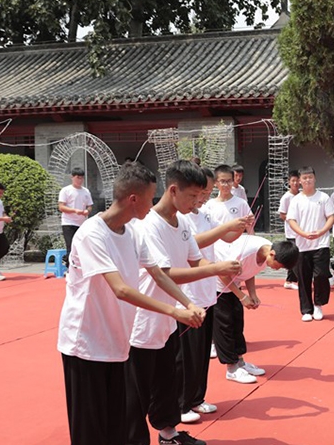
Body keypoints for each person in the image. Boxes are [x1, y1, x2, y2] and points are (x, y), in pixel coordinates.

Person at [57, 161, 205, 445]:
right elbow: (121, 289)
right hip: (85, 344)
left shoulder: (134, 233)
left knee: (116, 427)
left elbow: (158, 273)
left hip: (116, 342)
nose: (152, 206)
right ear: (133, 199)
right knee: (90, 431)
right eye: (150, 199)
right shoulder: (92, 233)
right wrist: (175, 311)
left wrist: (187, 303)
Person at [126, 160, 241, 445]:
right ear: (173, 189)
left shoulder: (184, 221)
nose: (197, 201)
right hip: (146, 317)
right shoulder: (149, 225)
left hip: (171, 315)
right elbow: (167, 274)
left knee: (169, 380)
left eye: (201, 195)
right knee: (137, 389)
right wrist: (214, 269)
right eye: (193, 196)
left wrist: (217, 266)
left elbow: (195, 258)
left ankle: (168, 434)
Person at [178, 167, 251, 424]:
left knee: (200, 353)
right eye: (201, 192)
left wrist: (240, 227)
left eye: (206, 192)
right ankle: (181, 402)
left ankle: (197, 398)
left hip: (206, 292)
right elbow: (193, 244)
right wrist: (226, 228)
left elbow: (221, 239)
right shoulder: (181, 217)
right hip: (188, 296)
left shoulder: (204, 215)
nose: (203, 197)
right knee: (186, 354)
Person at [213, 235, 299, 382]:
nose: (277, 269)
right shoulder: (243, 253)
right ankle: (231, 369)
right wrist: (241, 296)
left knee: (237, 323)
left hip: (233, 283)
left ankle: (240, 362)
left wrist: (252, 294)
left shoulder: (267, 251)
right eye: (278, 266)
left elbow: (249, 271)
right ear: (272, 254)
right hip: (215, 285)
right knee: (225, 325)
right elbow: (222, 273)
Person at [287, 166, 334, 322]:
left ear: (315, 178)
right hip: (302, 244)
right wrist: (302, 233)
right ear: (299, 181)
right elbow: (291, 220)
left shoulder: (323, 198)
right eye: (304, 178)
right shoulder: (296, 200)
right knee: (303, 278)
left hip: (321, 243)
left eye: (310, 177)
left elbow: (331, 217)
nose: (307, 180)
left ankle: (318, 304)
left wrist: (321, 231)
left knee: (321, 275)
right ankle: (306, 310)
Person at [58, 167, 93, 264]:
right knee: (71, 246)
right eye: (78, 178)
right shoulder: (66, 190)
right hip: (68, 222)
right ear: (72, 177)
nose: (80, 180)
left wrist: (87, 211)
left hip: (82, 223)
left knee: (82, 246)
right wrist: (74, 210)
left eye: (82, 178)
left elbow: (90, 206)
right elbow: (61, 207)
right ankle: (69, 268)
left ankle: (80, 267)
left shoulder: (86, 191)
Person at [278, 170, 301, 290]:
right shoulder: (286, 197)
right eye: (293, 181)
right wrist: (293, 220)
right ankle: (291, 280)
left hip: (301, 232)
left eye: (297, 180)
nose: (296, 183)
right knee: (294, 256)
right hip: (292, 232)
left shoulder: (302, 195)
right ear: (289, 182)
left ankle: (293, 279)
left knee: (297, 256)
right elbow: (282, 214)